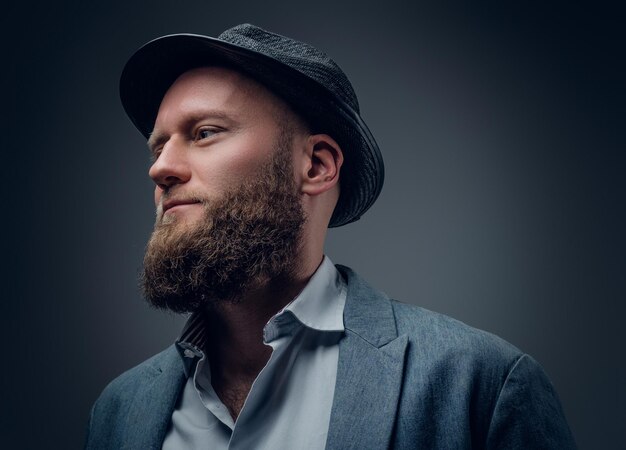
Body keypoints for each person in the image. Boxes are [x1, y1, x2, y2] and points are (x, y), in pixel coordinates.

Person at [85, 24, 576, 449]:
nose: (161, 167)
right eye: (158, 145)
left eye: (205, 132)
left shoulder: (480, 385)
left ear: (316, 165)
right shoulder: (119, 411)